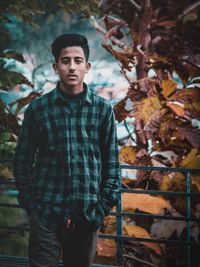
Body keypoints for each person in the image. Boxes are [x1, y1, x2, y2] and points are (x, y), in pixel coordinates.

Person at [13, 33, 120, 267]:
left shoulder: (103, 110)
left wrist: (101, 209)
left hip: (87, 214)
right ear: (55, 66)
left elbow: (112, 165)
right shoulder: (38, 110)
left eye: (78, 60)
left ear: (87, 66)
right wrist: (32, 207)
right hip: (46, 215)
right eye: (65, 60)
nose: (72, 67)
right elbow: (22, 163)